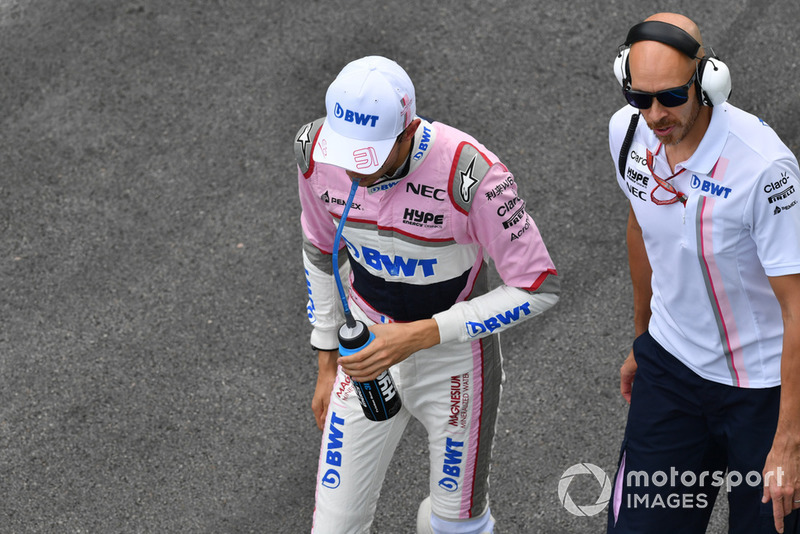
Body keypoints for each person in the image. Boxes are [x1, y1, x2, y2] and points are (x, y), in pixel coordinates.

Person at [294, 55, 559, 533]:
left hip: (455, 363)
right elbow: (319, 250)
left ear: (409, 129)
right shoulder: (315, 154)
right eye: (347, 154)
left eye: (369, 157)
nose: (355, 174)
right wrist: (326, 357)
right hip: (364, 356)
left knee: (456, 528)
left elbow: (538, 286)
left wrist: (421, 336)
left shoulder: (471, 173)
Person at [607, 12, 800, 534]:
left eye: (670, 97)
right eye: (639, 98)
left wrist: (789, 439)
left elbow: (797, 308)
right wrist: (642, 338)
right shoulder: (628, 134)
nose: (654, 115)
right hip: (671, 373)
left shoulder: (764, 170)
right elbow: (641, 228)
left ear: (707, 80)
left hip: (761, 394)